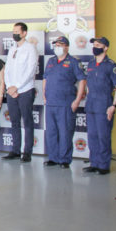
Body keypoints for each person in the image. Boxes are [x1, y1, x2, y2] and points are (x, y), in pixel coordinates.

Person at [42, 36, 86, 169]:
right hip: (51, 103)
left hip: (66, 103)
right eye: (56, 45)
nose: (57, 47)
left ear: (66, 47)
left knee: (65, 132)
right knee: (51, 132)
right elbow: (45, 78)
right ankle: (53, 158)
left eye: (60, 45)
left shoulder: (73, 62)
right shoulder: (51, 61)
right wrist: (44, 95)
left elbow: (82, 80)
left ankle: (64, 159)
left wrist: (77, 100)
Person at [83, 37, 116, 175]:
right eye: (94, 44)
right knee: (92, 136)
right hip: (91, 105)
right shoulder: (91, 63)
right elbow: (88, 84)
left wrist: (113, 106)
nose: (95, 47)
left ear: (105, 48)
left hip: (104, 105)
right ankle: (94, 163)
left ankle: (103, 165)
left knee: (103, 136)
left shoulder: (111, 65)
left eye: (98, 45)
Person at [3, 22, 38, 162]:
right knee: (14, 122)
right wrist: (9, 87)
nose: (15, 34)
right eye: (14, 31)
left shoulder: (30, 48)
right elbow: (7, 70)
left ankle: (27, 152)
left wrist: (17, 86)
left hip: (25, 90)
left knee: (27, 122)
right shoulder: (12, 49)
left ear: (24, 33)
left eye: (17, 32)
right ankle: (15, 150)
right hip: (11, 91)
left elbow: (30, 71)